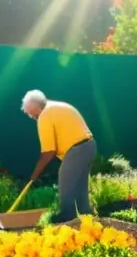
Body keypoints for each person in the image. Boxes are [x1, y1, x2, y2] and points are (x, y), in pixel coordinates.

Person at [21, 90, 96, 221]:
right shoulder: (56, 106)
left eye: (32, 113)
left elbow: (49, 152)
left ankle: (67, 215)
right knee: (79, 185)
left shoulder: (44, 116)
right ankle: (87, 216)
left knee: (65, 178)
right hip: (89, 145)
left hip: (77, 148)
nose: (31, 116)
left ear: (37, 107)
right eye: (28, 113)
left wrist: (34, 176)